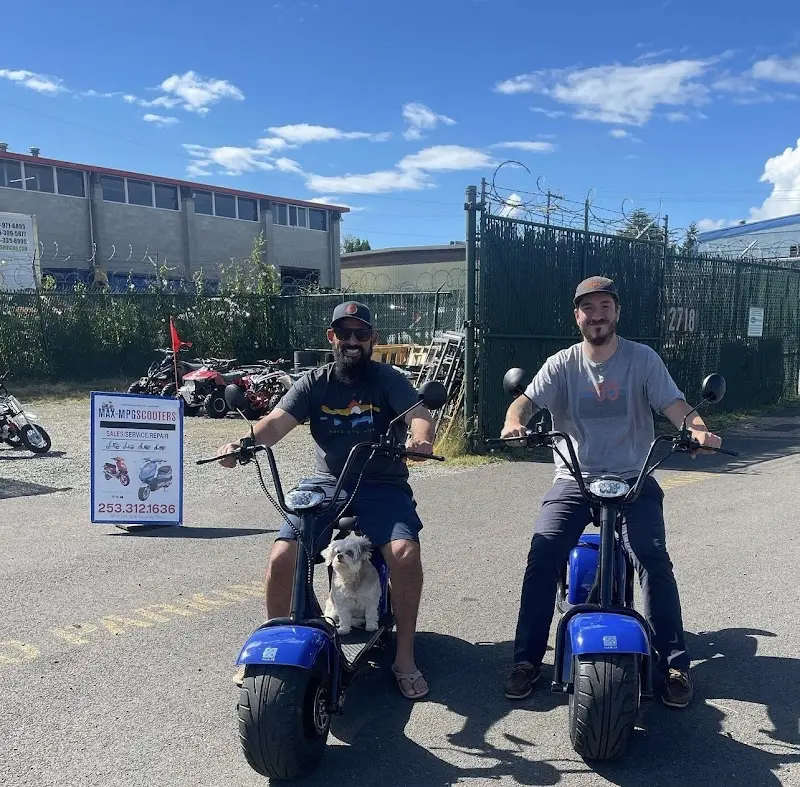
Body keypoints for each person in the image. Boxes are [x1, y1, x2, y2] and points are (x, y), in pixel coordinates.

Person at [500, 276, 723, 708]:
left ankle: (673, 664)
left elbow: (676, 406)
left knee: (653, 558)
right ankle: (526, 660)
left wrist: (697, 429)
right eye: (588, 308)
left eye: (605, 306)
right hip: (574, 479)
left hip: (633, 478)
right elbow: (524, 402)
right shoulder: (562, 363)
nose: (597, 315)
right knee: (543, 553)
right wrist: (514, 423)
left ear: (617, 312)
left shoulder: (642, 359)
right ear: (577, 315)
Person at [215, 301, 436, 700]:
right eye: (344, 333)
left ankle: (404, 656)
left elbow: (418, 414)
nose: (352, 341)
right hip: (327, 483)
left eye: (361, 334)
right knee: (282, 556)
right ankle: (272, 651)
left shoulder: (388, 379)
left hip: (382, 483)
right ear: (331, 337)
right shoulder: (314, 382)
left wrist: (420, 439)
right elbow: (275, 423)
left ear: (372, 339)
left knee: (404, 555)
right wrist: (243, 444)